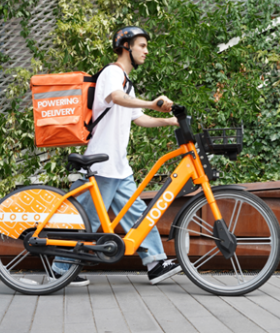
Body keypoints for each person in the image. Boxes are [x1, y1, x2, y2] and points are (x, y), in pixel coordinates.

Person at [52, 26, 182, 286]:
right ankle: (60, 268)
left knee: (138, 215)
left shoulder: (127, 82)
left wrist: (168, 121)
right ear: (127, 47)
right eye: (142, 45)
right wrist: (150, 102)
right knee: (86, 220)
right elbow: (116, 98)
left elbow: (139, 118)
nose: (146, 50)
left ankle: (155, 263)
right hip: (101, 164)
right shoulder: (113, 73)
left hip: (118, 167)